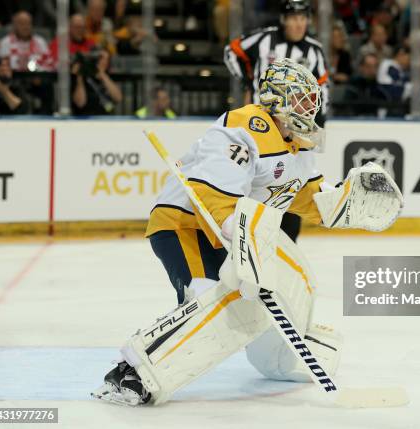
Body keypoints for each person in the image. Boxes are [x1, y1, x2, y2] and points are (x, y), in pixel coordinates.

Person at [92, 58, 402, 407]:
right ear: (276, 100)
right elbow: (213, 198)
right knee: (208, 299)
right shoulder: (244, 127)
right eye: (301, 99)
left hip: (234, 235)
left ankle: (284, 355)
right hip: (185, 224)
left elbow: (307, 198)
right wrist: (246, 251)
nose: (310, 107)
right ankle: (133, 373)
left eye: (312, 100)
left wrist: (345, 203)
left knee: (270, 297)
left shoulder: (298, 147)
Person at [224, 0, 330, 243]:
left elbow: (323, 87)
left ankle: (283, 246)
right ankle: (247, 240)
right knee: (257, 179)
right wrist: (247, 81)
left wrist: (317, 124)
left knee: (292, 181)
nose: (298, 23)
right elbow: (232, 51)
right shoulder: (264, 39)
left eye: (303, 18)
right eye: (293, 18)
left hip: (293, 129)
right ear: (283, 20)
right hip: (260, 122)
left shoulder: (314, 50)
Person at [71, 49, 123, 115]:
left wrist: (103, 75)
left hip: (106, 117)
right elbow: (80, 103)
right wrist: (80, 76)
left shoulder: (109, 77)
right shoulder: (81, 77)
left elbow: (118, 98)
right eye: (100, 58)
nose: (103, 62)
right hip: (85, 117)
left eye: (106, 59)